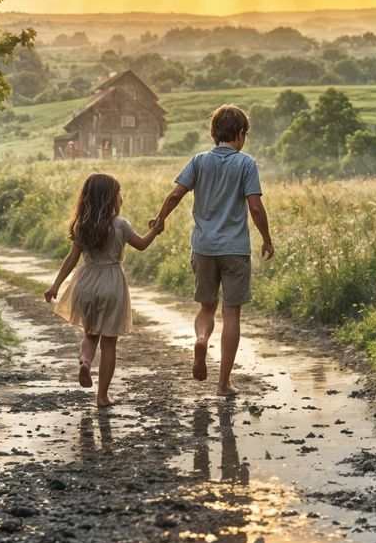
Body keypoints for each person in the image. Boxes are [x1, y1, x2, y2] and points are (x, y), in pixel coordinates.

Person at [150, 104, 274, 396]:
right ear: (241, 134)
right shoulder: (246, 164)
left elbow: (176, 193)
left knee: (207, 307)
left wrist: (159, 220)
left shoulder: (198, 161)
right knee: (232, 314)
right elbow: (255, 206)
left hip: (204, 247)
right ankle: (223, 383)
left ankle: (201, 338)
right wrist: (267, 238)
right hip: (235, 249)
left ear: (214, 133)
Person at [44, 172, 161, 407]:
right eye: (118, 193)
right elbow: (141, 245)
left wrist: (56, 285)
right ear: (110, 199)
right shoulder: (120, 225)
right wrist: (155, 230)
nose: (121, 197)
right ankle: (102, 396)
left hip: (86, 283)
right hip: (112, 284)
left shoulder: (81, 226)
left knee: (90, 334)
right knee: (109, 343)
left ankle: (85, 362)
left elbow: (71, 259)